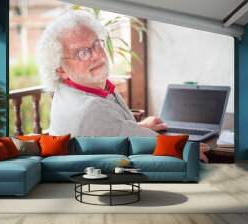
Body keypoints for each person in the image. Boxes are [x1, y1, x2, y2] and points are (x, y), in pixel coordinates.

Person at [37, 11, 166, 137]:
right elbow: (161, 145)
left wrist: (139, 127)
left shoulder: (68, 90)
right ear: (60, 69)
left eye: (96, 44)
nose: (96, 55)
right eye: (82, 53)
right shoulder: (92, 110)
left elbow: (109, 130)